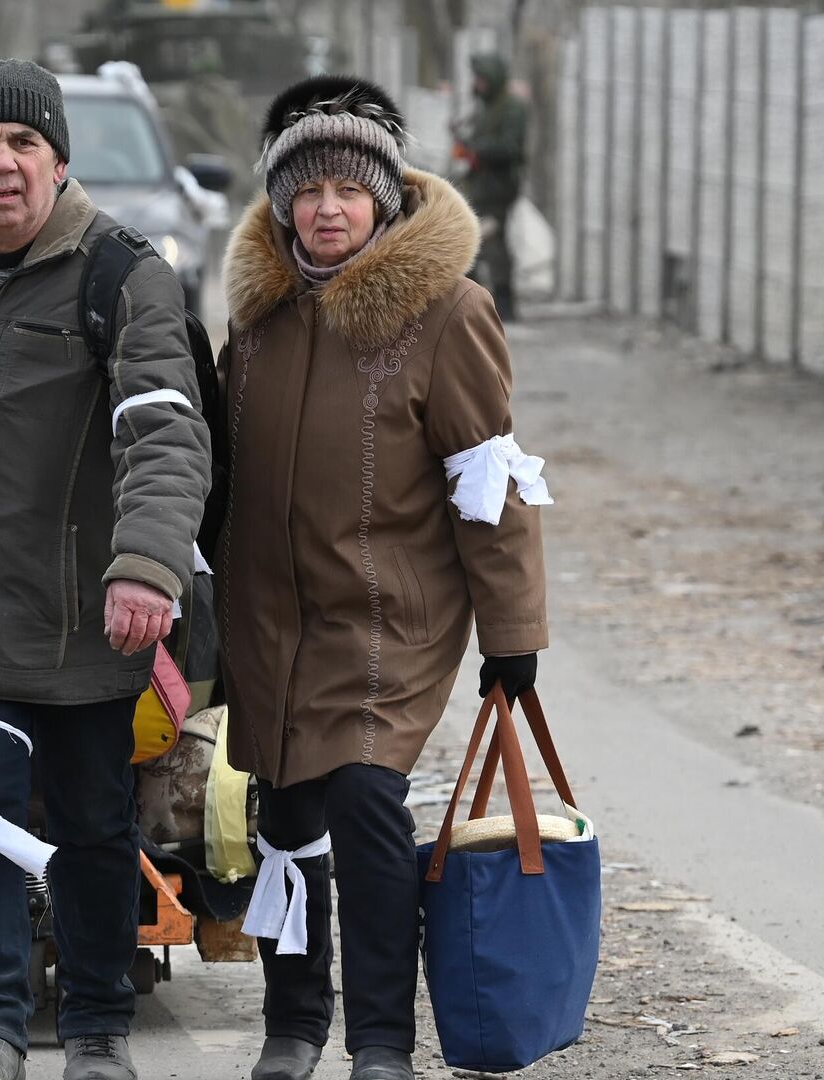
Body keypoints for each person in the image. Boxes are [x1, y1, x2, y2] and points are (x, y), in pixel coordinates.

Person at [216, 76, 549, 1080]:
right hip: (271, 619)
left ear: (384, 201)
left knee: (362, 797)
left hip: (387, 619)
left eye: (348, 191)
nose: (327, 208)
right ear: (282, 207)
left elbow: (486, 476)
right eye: (306, 191)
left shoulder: (447, 313)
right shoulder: (260, 321)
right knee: (282, 819)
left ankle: (380, 1040)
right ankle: (291, 1025)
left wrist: (514, 632)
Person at [0, 58, 211, 1080]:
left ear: (58, 160)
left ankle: (97, 1030)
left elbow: (165, 434)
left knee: (90, 826)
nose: (1, 165)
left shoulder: (123, 273)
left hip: (86, 615)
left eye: (23, 144)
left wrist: (147, 566)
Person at [454, 54, 528, 321]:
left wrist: (477, 150)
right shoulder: (484, 107)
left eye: (481, 79)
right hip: (479, 186)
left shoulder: (511, 108)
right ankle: (474, 304)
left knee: (493, 244)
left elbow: (510, 147)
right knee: (471, 242)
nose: (477, 84)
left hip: (498, 188)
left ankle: (505, 305)